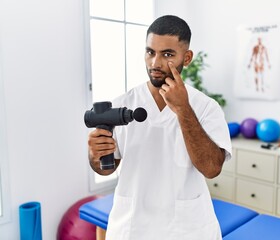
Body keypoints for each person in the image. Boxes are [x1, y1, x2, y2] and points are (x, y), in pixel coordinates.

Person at [87, 15, 232, 240]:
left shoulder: (206, 108)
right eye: (150, 52)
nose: (155, 63)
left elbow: (212, 168)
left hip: (186, 229)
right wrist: (95, 155)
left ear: (187, 57)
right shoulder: (121, 104)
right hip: (132, 227)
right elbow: (106, 168)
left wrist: (183, 109)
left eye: (167, 54)